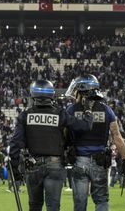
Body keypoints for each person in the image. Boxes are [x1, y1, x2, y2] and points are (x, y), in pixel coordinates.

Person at [8, 79, 95, 211]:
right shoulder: (60, 114)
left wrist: (14, 168)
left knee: (34, 206)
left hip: (33, 166)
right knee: (53, 207)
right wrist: (88, 110)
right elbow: (84, 126)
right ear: (51, 95)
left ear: (33, 95)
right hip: (55, 165)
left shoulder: (25, 116)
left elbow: (16, 143)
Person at [64, 74, 125, 211]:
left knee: (80, 203)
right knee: (101, 200)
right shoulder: (106, 110)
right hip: (99, 161)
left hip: (79, 160)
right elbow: (117, 137)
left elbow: (64, 135)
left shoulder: (71, 110)